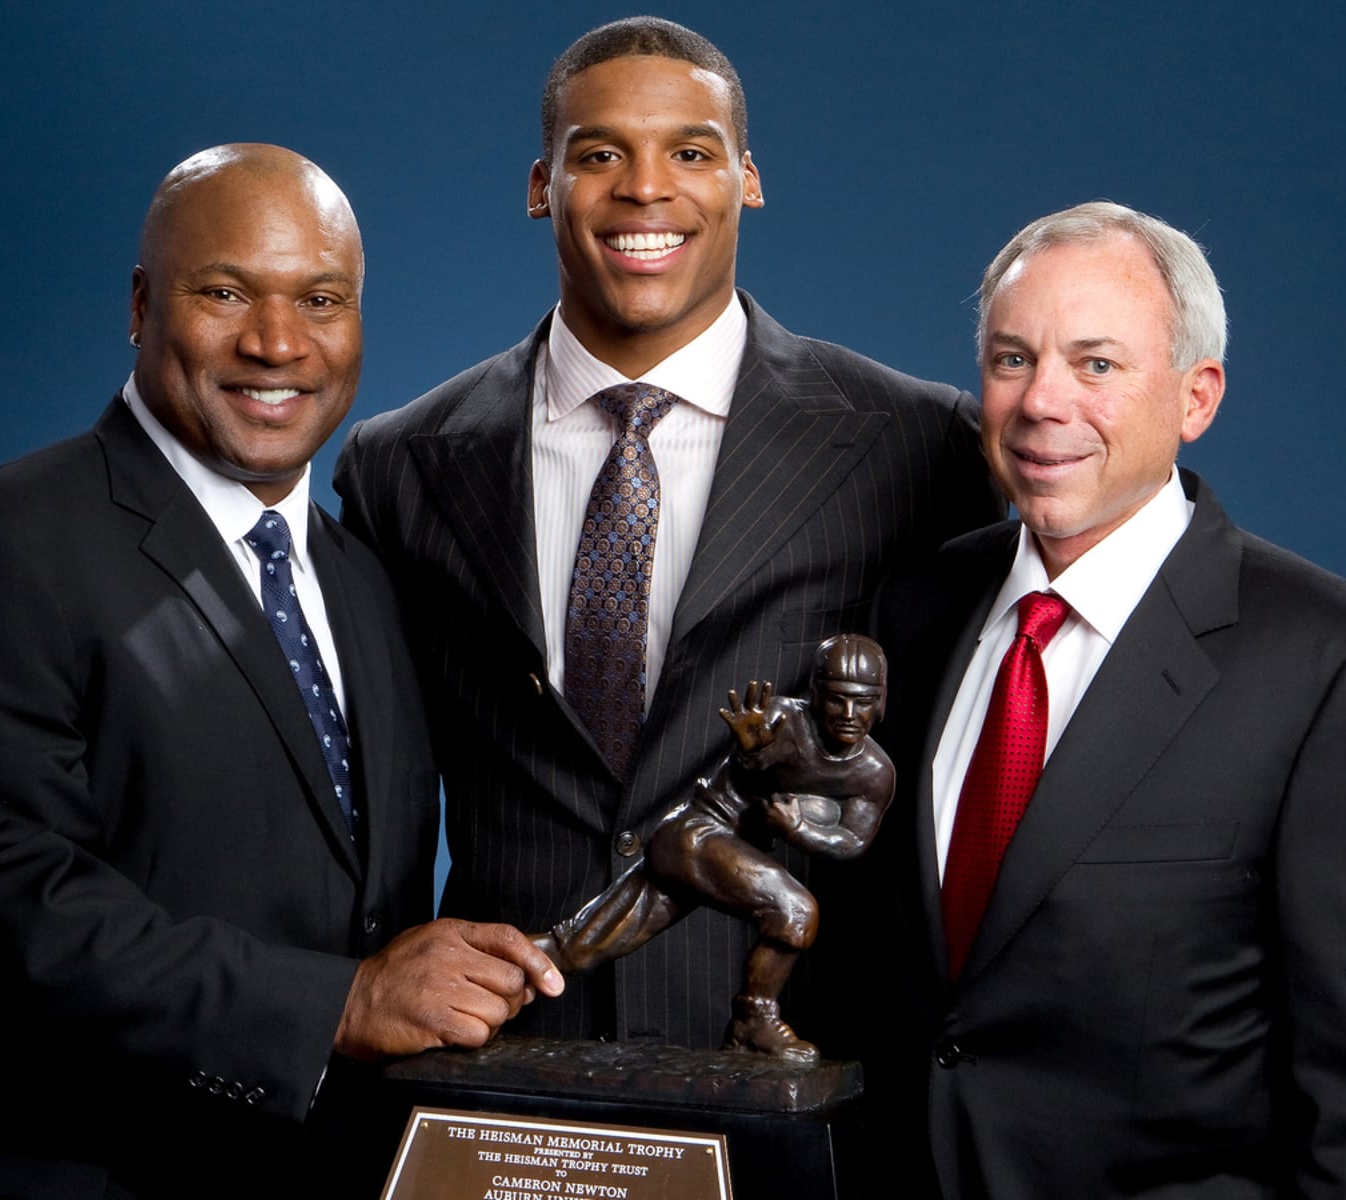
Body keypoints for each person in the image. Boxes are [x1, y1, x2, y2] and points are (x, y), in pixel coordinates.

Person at [0, 143, 560, 1199]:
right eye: (225, 291)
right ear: (143, 306)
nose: (276, 342)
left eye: (319, 299)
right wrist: (335, 1005)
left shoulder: (366, 584)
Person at [335, 16, 1000, 1051]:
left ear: (746, 178)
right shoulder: (397, 464)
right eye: (598, 154)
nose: (646, 188)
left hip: (798, 1074)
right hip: (501, 1068)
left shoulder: (920, 449)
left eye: (689, 152)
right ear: (539, 185)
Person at [866, 201, 1346, 1195]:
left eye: (1096, 366)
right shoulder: (913, 612)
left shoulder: (1337, 669)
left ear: (1195, 399)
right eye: (1012, 359)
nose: (1041, 402)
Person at [534, 635, 894, 1063]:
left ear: (882, 700)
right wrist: (755, 755)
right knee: (796, 911)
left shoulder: (874, 773)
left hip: (722, 856)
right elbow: (751, 767)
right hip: (696, 835)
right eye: (837, 700)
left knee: (587, 942)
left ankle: (501, 973)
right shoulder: (780, 719)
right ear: (815, 694)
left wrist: (798, 829)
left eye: (864, 701)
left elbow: (851, 841)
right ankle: (752, 1022)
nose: (850, 715)